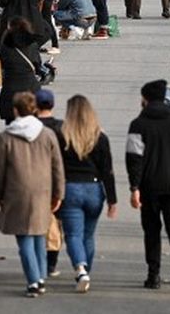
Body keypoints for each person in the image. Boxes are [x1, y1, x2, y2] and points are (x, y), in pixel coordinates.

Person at [0, 91, 65, 298]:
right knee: (39, 235)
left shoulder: (6, 136)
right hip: (43, 190)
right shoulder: (47, 134)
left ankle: (34, 280)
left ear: (15, 110)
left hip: (17, 190)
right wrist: (59, 193)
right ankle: (40, 276)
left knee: (23, 237)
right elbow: (57, 166)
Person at [126, 79, 170, 293]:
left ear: (145, 100)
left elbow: (134, 159)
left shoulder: (138, 124)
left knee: (152, 230)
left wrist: (134, 187)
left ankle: (153, 274)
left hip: (149, 186)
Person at [53, 94, 117, 294]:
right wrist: (112, 200)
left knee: (73, 234)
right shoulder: (100, 137)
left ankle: (81, 269)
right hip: (94, 189)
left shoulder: (62, 136)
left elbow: (56, 166)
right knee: (88, 235)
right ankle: (85, 270)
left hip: (70, 187)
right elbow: (107, 170)